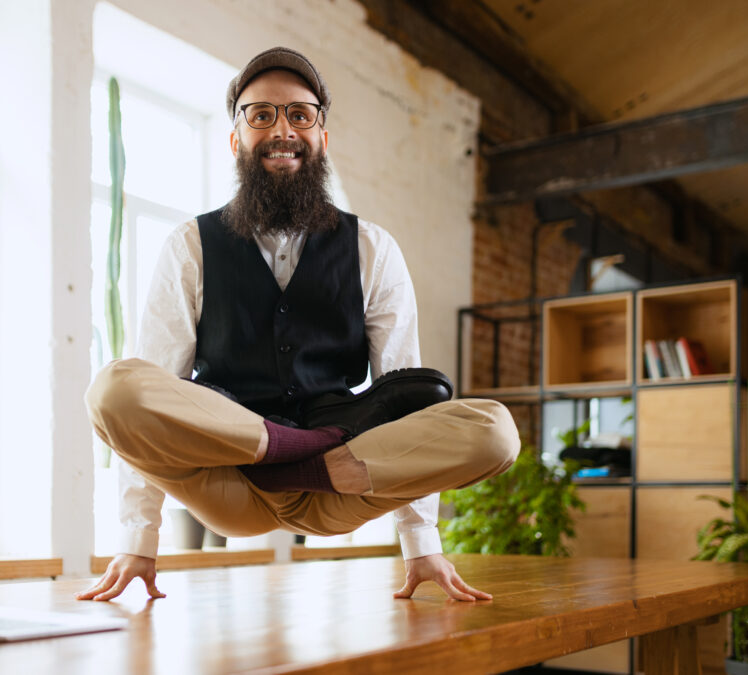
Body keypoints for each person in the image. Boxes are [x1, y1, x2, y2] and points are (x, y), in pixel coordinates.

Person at [78, 47, 520, 604]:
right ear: (235, 139)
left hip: (346, 481)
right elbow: (157, 388)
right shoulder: (191, 246)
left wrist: (420, 541)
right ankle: (287, 450)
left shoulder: (372, 248)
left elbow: (406, 398)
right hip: (231, 481)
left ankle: (312, 459)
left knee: (495, 430)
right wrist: (139, 538)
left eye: (300, 115)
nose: (281, 129)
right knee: (114, 388)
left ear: (321, 139)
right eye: (261, 115)